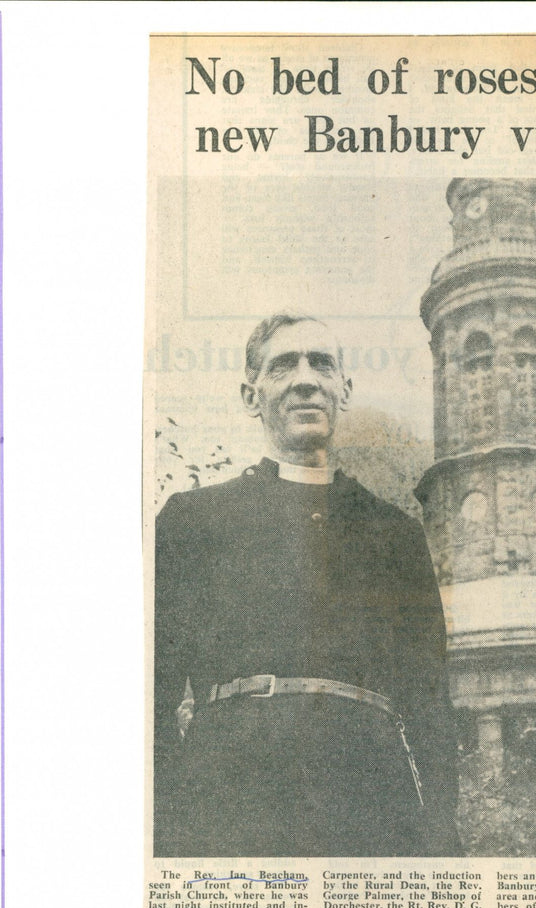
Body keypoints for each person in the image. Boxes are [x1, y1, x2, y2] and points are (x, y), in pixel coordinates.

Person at [153, 314, 461, 857]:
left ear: (343, 389)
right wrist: (167, 825)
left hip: (371, 801)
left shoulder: (393, 532)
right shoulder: (193, 521)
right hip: (230, 800)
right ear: (252, 395)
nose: (305, 378)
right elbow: (150, 692)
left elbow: (430, 704)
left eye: (321, 363)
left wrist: (441, 839)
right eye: (283, 365)